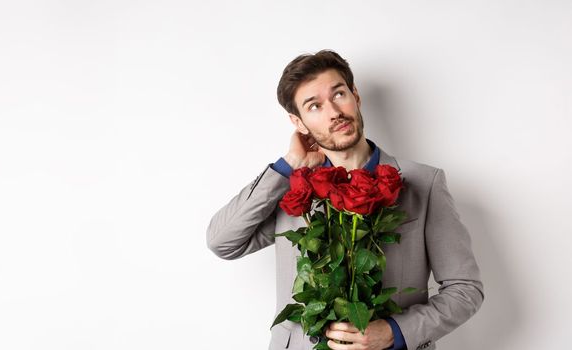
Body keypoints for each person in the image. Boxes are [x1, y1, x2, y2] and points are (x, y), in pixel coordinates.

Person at [205, 50, 484, 350]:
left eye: (338, 94)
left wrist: (394, 332)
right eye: (314, 106)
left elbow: (465, 290)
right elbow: (223, 242)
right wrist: (287, 166)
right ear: (298, 123)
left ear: (356, 96)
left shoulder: (424, 183)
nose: (333, 112)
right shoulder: (290, 189)